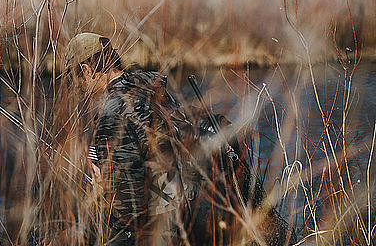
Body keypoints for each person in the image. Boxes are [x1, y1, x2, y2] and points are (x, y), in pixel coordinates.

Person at [64, 32, 294, 246]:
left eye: (76, 80)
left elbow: (129, 210)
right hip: (194, 216)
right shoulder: (155, 89)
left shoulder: (114, 111)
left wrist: (103, 192)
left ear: (86, 70)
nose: (79, 89)